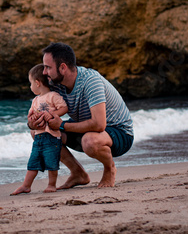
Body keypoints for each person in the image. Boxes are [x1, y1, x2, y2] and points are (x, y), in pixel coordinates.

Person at [28, 42, 134, 189]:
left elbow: (99, 124)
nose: (44, 72)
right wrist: (33, 123)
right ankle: (78, 174)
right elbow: (40, 108)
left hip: (119, 132)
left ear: (63, 67)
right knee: (39, 133)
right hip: (85, 128)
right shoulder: (55, 83)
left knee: (89, 141)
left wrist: (62, 125)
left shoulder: (91, 81)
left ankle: (110, 169)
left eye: (48, 67)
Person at [11, 64, 68, 195]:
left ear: (37, 83)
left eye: (30, 83)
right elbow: (30, 116)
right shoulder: (35, 100)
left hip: (52, 135)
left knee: (51, 161)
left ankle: (51, 184)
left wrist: (54, 115)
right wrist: (32, 117)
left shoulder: (53, 96)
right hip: (38, 136)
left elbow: (64, 108)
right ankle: (26, 185)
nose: (30, 87)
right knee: (33, 161)